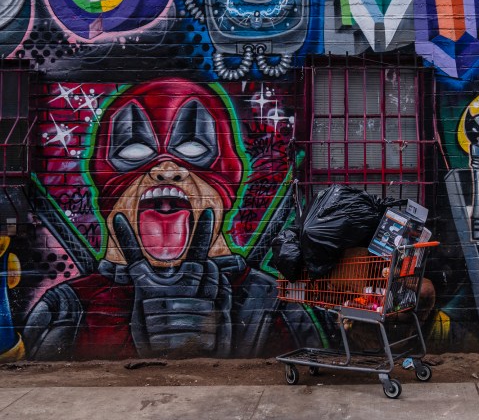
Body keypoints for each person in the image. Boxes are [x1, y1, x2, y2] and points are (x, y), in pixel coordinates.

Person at [22, 78, 322, 359]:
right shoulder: (67, 310)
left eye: (194, 148)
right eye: (134, 150)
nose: (166, 169)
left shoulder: (269, 304)